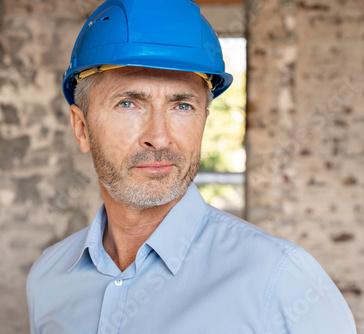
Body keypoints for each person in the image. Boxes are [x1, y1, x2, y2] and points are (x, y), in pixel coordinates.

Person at [26, 0, 357, 333]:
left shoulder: (282, 282)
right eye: (128, 103)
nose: (159, 138)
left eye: (182, 106)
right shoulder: (48, 278)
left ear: (203, 122)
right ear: (82, 128)